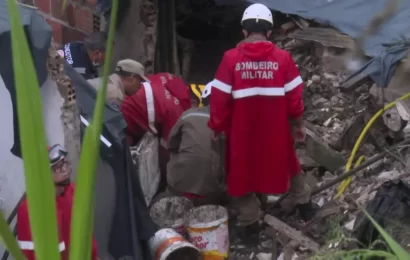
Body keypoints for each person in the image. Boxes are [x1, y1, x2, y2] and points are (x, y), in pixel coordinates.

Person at [208, 3, 315, 228]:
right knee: (289, 162)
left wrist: (216, 126)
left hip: (241, 132)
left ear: (244, 32)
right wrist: (298, 123)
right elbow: (295, 98)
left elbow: (219, 100)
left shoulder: (230, 59)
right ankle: (305, 206)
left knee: (238, 173)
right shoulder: (283, 58)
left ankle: (251, 217)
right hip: (276, 129)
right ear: (268, 33)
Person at [17, 144, 98, 260]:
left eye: (64, 163)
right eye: (57, 167)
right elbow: (32, 255)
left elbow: (88, 239)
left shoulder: (74, 192)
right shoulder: (30, 210)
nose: (64, 170)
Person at [166, 82, 226, 206]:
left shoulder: (188, 114)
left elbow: (171, 144)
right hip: (211, 194)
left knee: (176, 151)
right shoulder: (230, 122)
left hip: (178, 189)